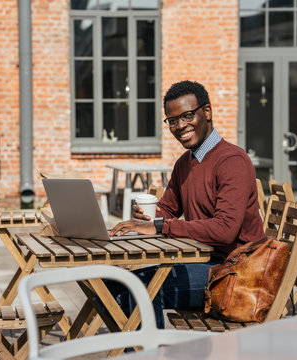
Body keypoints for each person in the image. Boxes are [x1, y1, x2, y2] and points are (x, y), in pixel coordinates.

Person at [107, 80, 264, 328]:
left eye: (188, 116)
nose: (180, 126)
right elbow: (168, 209)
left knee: (141, 287)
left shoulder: (232, 161)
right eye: (172, 120)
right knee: (110, 285)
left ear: (208, 112)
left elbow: (225, 230)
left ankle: (147, 353)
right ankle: (137, 350)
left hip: (234, 273)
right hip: (203, 261)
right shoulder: (185, 162)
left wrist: (161, 227)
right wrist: (147, 216)